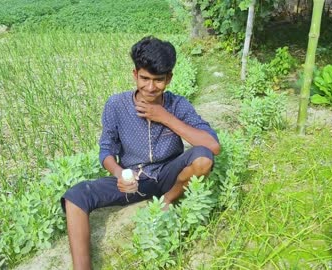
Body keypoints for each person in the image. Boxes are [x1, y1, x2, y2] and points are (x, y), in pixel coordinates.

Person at [61, 36, 220, 269]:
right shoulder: (116, 105)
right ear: (135, 74)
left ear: (169, 78)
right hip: (134, 179)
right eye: (144, 78)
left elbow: (212, 146)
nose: (150, 87)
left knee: (203, 158)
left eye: (158, 80)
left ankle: (168, 200)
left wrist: (164, 117)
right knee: (75, 196)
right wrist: (119, 174)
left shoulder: (178, 105)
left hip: (170, 176)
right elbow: (106, 149)